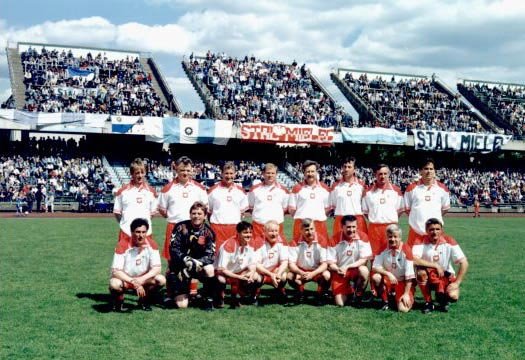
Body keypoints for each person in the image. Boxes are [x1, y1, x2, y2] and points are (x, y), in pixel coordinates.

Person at [412, 218, 469, 314]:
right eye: (431, 229)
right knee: (421, 273)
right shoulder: (420, 240)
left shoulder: (449, 240)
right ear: (426, 231)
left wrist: (457, 283)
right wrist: (434, 265)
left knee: (453, 296)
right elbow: (413, 259)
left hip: (445, 275)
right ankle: (428, 302)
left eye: (437, 229)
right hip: (428, 276)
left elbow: (464, 262)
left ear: (442, 230)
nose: (435, 232)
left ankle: (442, 298)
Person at [109, 218, 166, 312]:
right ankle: (119, 302)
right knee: (114, 284)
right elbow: (116, 271)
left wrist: (141, 280)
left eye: (144, 232)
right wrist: (133, 281)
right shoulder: (122, 245)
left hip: (143, 279)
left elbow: (157, 268)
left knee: (161, 280)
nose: (141, 235)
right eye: (138, 232)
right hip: (126, 279)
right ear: (131, 232)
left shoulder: (152, 244)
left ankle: (144, 300)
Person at [167, 201, 216, 310]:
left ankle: (208, 299)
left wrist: (196, 262)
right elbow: (173, 249)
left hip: (199, 265)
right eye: (194, 213)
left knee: (210, 269)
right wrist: (185, 259)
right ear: (190, 214)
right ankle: (171, 296)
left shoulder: (209, 232)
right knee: (182, 306)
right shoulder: (180, 227)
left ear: (205, 216)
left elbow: (210, 255)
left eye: (199, 213)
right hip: (181, 264)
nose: (196, 216)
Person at [158, 156, 208, 260]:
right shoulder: (167, 189)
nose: (185, 173)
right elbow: (162, 210)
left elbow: (205, 209)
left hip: (194, 229)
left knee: (195, 260)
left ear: (192, 170)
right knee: (172, 261)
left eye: (188, 170)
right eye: (182, 170)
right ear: (176, 169)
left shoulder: (200, 188)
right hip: (174, 228)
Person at [327, 215, 372, 307]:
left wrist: (347, 267)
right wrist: (338, 269)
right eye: (348, 227)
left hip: (355, 270)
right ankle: (350, 290)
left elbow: (363, 260)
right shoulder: (334, 239)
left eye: (353, 227)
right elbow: (331, 263)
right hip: (340, 272)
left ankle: (358, 295)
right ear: (342, 226)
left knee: (364, 270)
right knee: (340, 303)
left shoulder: (363, 237)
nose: (351, 230)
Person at [404, 158, 450, 246]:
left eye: (431, 169)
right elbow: (407, 210)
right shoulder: (411, 188)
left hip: (435, 234)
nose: (428, 171)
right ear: (420, 171)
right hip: (416, 233)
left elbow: (444, 209)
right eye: (426, 168)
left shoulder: (442, 189)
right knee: (413, 259)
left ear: (434, 171)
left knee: (435, 259)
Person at [215, 221, 261, 308]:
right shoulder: (229, 245)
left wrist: (251, 273)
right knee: (221, 279)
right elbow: (222, 269)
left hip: (239, 271)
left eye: (250, 232)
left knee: (255, 276)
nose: (248, 235)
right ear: (238, 233)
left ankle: (242, 297)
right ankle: (219, 298)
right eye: (245, 232)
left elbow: (252, 264)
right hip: (224, 273)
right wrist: (240, 277)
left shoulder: (251, 243)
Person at [113, 158, 158, 246]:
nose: (140, 175)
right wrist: (125, 223)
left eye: (142, 172)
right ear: (132, 174)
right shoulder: (122, 191)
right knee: (124, 259)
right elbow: (117, 213)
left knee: (145, 259)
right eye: (137, 173)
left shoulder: (151, 192)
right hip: (126, 233)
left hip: (145, 234)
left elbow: (152, 214)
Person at [362, 164, 404, 256]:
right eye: (380, 174)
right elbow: (365, 212)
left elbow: (400, 211)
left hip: (391, 227)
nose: (383, 176)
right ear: (375, 175)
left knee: (392, 253)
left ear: (389, 174)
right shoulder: (368, 192)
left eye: (385, 173)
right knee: (374, 255)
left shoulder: (396, 191)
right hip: (374, 228)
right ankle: (374, 270)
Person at [371, 224, 415, 312]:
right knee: (376, 277)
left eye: (395, 237)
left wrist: (406, 294)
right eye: (390, 237)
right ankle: (385, 301)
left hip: (402, 282)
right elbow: (374, 267)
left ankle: (398, 296)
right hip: (389, 280)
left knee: (403, 309)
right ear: (387, 237)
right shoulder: (382, 248)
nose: (392, 239)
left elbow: (410, 276)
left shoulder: (406, 249)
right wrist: (388, 274)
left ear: (400, 238)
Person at [287, 218, 331, 305]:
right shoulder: (294, 242)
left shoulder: (322, 240)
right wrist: (301, 272)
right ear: (301, 230)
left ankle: (320, 293)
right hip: (301, 271)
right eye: (306, 230)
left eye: (311, 229)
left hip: (316, 271)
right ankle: (300, 292)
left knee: (327, 275)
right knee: (289, 276)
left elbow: (325, 264)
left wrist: (312, 274)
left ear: (315, 229)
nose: (310, 232)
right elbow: (291, 264)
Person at [208, 162, 249, 252]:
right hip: (217, 227)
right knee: (217, 255)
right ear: (222, 174)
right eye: (226, 173)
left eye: (231, 173)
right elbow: (209, 212)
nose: (229, 176)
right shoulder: (213, 191)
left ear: (235, 174)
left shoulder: (241, 191)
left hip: (234, 227)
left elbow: (242, 212)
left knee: (233, 254)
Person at [288, 160, 331, 246]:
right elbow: (292, 209)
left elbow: (327, 209)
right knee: (299, 251)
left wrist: (317, 216)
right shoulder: (297, 188)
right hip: (301, 224)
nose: (310, 174)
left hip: (319, 224)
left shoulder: (325, 188)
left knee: (321, 251)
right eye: (308, 171)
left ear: (316, 172)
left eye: (312, 171)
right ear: (303, 173)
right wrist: (302, 218)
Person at [248, 163, 289, 244]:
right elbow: (251, 208)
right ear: (263, 174)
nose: (270, 175)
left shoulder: (283, 191)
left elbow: (284, 209)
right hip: (258, 226)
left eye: (273, 173)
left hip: (276, 227)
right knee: (257, 252)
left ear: (276, 174)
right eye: (268, 173)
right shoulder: (254, 189)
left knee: (277, 252)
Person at [330, 157, 368, 236]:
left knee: (359, 247)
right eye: (344, 166)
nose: (346, 169)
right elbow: (333, 205)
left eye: (349, 167)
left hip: (357, 220)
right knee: (339, 246)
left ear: (354, 169)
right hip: (340, 220)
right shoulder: (335, 186)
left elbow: (365, 206)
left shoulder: (362, 185)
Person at [254, 220, 289, 303]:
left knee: (284, 275)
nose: (274, 234)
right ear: (265, 232)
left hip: (275, 272)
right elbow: (256, 265)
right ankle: (255, 292)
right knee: (255, 276)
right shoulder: (259, 242)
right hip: (262, 273)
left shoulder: (281, 243)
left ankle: (279, 290)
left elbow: (285, 262)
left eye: (276, 231)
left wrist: (278, 274)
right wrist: (270, 274)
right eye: (271, 231)